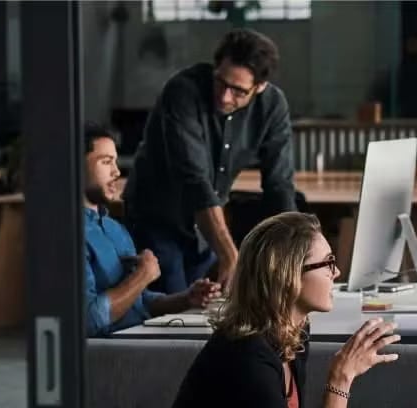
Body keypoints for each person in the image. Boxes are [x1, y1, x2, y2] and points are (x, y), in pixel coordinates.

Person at [127, 28, 297, 294]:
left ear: (260, 87)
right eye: (221, 82)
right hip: (157, 219)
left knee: (205, 311)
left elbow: (280, 185)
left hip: (204, 230)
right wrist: (230, 255)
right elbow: (195, 181)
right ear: (216, 68)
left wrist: (295, 252)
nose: (225, 97)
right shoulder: (182, 91)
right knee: (172, 315)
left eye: (239, 91)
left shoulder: (273, 106)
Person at [172, 212, 400, 408]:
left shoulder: (293, 333)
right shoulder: (248, 358)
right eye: (328, 262)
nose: (337, 272)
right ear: (288, 274)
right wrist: (340, 379)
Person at [82, 127, 222, 337]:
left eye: (115, 161)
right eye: (105, 161)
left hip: (139, 336)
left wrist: (186, 299)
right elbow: (87, 321)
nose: (117, 172)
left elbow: (140, 301)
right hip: (109, 350)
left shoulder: (114, 228)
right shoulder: (69, 235)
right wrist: (142, 276)